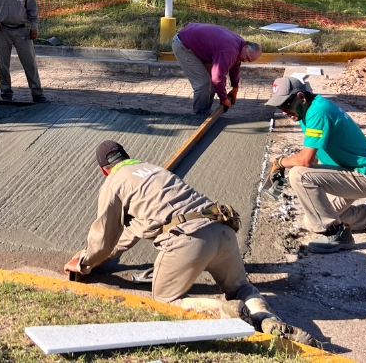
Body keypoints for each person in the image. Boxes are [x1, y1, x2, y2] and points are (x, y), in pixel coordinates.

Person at [64, 140, 318, 346]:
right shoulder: (153, 170)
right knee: (241, 287)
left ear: (103, 170)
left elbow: (105, 236)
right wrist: (109, 257)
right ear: (127, 157)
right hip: (221, 228)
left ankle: (226, 312)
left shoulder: (114, 182)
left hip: (188, 240)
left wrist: (85, 262)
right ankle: (268, 319)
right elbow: (132, 231)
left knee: (164, 303)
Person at [265, 77, 366, 254]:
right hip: (349, 173)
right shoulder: (310, 109)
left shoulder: (318, 112)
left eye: (285, 105)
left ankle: (338, 235)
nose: (283, 111)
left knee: (299, 175)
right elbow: (312, 160)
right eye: (279, 107)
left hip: (363, 175)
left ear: (301, 97)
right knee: (314, 219)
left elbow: (305, 161)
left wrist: (280, 163)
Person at [172, 23, 262, 116]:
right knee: (203, 83)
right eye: (247, 58)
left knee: (212, 84)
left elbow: (235, 66)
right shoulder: (229, 50)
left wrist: (235, 88)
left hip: (197, 44)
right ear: (246, 47)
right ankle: (199, 115)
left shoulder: (240, 45)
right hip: (183, 45)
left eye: (249, 61)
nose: (245, 61)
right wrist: (224, 99)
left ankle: (205, 112)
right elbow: (217, 78)